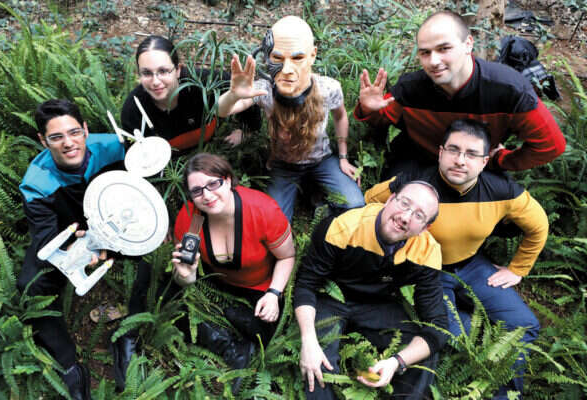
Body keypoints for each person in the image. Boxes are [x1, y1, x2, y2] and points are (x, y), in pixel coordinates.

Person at [365, 119, 547, 398]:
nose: (460, 160)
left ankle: (507, 394)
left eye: (471, 154)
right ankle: (470, 332)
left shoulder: (503, 191)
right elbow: (368, 202)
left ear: (484, 162)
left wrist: (518, 269)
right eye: (453, 150)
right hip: (427, 271)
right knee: (451, 336)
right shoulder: (414, 184)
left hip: (473, 265)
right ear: (441, 153)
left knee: (524, 324)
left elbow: (539, 226)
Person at [355, 10, 565, 176]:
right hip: (419, 162)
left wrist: (501, 160)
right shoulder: (410, 88)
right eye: (425, 52)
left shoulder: (509, 89)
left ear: (468, 44)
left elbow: (550, 145)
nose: (433, 61)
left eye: (444, 49)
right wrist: (368, 109)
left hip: (475, 168)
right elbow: (380, 119)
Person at [294, 181, 447, 399]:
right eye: (404, 204)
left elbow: (437, 325)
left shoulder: (427, 251)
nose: (405, 217)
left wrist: (397, 362)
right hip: (331, 297)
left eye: (419, 215)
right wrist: (308, 340)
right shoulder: (342, 226)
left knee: (423, 349)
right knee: (317, 362)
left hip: (378, 305)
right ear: (390, 199)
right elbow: (306, 284)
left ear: (425, 228)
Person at [18, 99, 127, 399]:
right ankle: (70, 366)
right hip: (71, 235)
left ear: (86, 130)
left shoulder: (115, 147)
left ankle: (128, 340)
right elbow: (45, 239)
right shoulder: (36, 183)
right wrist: (80, 250)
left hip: (119, 224)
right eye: (56, 137)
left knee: (156, 255)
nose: (68, 143)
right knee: (30, 285)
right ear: (43, 141)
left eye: (74, 132)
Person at [217, 16, 365, 221]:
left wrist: (343, 157)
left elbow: (340, 117)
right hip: (283, 164)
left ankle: (318, 199)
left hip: (322, 160)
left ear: (312, 55)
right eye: (277, 58)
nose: (286, 70)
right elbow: (223, 111)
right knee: (274, 220)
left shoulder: (328, 88)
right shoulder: (265, 90)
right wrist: (234, 95)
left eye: (297, 58)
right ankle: (311, 193)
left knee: (355, 204)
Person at [170, 153, 296, 387]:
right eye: (197, 191)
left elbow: (287, 256)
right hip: (214, 281)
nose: (207, 196)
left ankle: (231, 324)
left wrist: (274, 293)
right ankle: (231, 347)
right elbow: (184, 275)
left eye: (213, 184)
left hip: (260, 286)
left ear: (227, 180)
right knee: (170, 303)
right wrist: (186, 277)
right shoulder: (191, 219)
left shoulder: (262, 210)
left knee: (269, 331)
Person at [121, 35, 261, 152]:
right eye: (146, 73)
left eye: (163, 71)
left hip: (211, 149)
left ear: (178, 70)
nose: (155, 81)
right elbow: (136, 155)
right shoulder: (133, 110)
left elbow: (244, 92)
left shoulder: (203, 82)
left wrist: (246, 130)